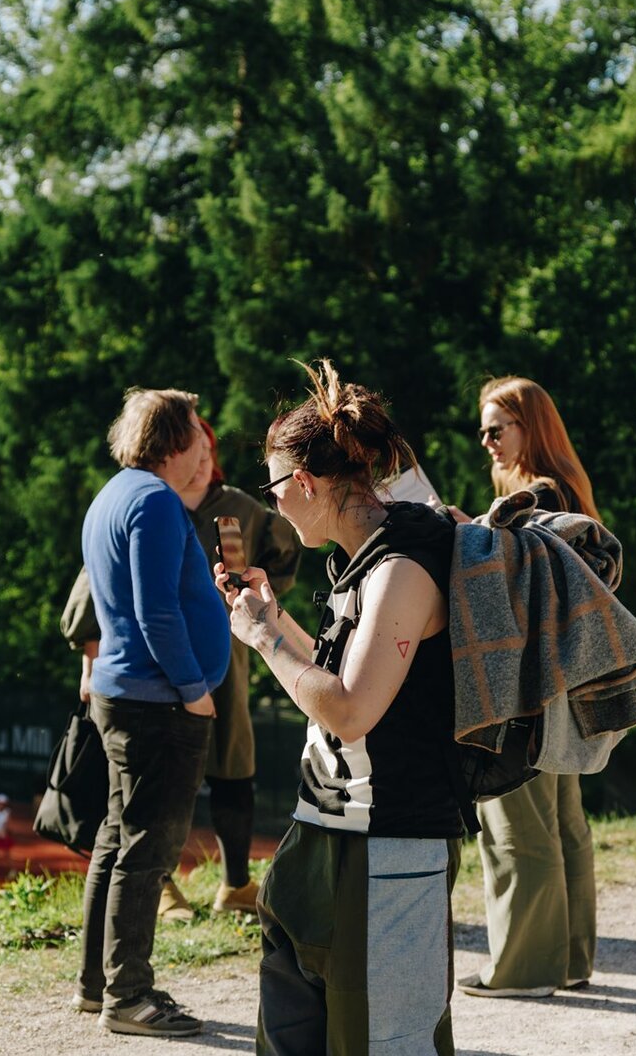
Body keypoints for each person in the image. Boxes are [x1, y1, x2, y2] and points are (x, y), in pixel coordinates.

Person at [219, 360, 465, 1055]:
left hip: (389, 840)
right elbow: (335, 677)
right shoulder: (360, 561)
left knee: (383, 1040)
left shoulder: (403, 567)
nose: (273, 508)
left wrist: (265, 639)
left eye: (274, 490)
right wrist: (272, 617)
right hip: (326, 827)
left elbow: (352, 708)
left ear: (305, 483)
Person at [62, 417, 301, 919]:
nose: (201, 463)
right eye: (196, 449)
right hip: (158, 671)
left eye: (209, 453)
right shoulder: (151, 503)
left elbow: (287, 547)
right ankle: (162, 886)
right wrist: (90, 653)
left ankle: (236, 883)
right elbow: (100, 581)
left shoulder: (239, 507)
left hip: (226, 660)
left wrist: (259, 597)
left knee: (233, 762)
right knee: (160, 784)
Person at [74, 387, 231, 1038]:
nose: (203, 442)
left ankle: (97, 985)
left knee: (117, 841)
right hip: (156, 701)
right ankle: (130, 998)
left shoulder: (116, 494)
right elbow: (156, 611)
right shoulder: (156, 502)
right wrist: (194, 687)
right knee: (146, 850)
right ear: (174, 440)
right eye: (196, 430)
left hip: (125, 692)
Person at [453, 376, 600, 999]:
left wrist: (466, 533)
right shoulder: (565, 490)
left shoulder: (534, 495)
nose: (486, 440)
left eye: (497, 428)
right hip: (558, 677)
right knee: (562, 820)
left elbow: (509, 580)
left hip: (521, 680)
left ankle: (522, 968)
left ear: (529, 427)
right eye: (482, 429)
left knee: (513, 817)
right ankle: (567, 958)